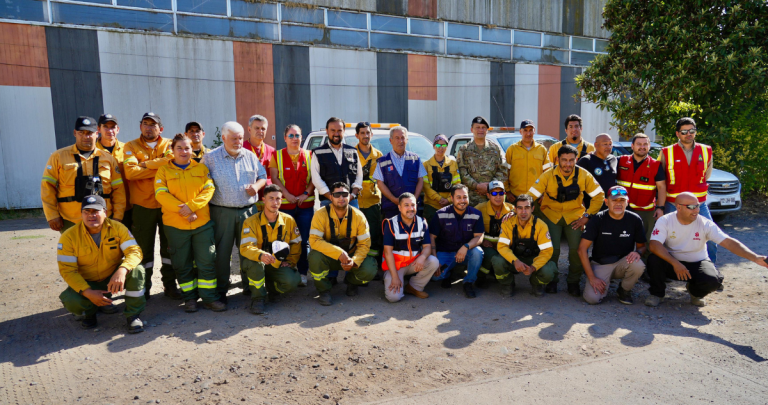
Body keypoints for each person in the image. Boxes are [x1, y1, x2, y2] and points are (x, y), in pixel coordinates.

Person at [646, 192, 768, 307]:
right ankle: (657, 294)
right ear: (679, 207)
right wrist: (675, 263)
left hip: (697, 262)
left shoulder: (705, 223)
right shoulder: (665, 220)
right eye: (692, 207)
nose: (697, 210)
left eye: (698, 206)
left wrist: (755, 258)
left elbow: (729, 243)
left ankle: (695, 293)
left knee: (713, 281)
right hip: (672, 263)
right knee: (654, 259)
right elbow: (654, 245)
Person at [155, 134, 225, 313]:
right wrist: (184, 211)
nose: (184, 151)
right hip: (176, 226)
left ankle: (210, 298)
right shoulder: (163, 171)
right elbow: (161, 195)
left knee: (206, 262)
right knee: (182, 264)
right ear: (172, 150)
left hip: (202, 224)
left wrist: (191, 207)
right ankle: (190, 299)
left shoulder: (201, 168)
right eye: (179, 148)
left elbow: (209, 190)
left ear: (192, 150)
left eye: (187, 148)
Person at [57, 195, 145, 333]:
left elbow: (135, 251)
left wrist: (122, 270)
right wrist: (88, 292)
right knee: (71, 300)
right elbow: (67, 270)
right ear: (81, 214)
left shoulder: (118, 228)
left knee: (137, 270)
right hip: (88, 282)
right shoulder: (69, 236)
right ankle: (89, 313)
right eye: (86, 212)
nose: (91, 215)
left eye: (95, 211)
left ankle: (133, 315)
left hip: (112, 278)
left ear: (105, 212)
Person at [202, 121, 268, 303]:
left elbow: (262, 176)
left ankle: (250, 287)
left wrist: (256, 186)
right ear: (223, 138)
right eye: (233, 138)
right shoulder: (210, 158)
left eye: (240, 138)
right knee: (222, 254)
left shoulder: (250, 156)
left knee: (249, 250)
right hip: (222, 212)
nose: (238, 142)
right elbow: (201, 184)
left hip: (248, 211)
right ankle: (221, 290)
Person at [528, 144, 604, 297]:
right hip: (551, 215)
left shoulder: (584, 175)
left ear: (576, 159)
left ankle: (573, 282)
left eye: (571, 160)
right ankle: (552, 280)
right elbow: (530, 196)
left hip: (575, 217)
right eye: (564, 160)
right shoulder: (548, 175)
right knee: (552, 250)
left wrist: (587, 216)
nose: (567, 164)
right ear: (557, 160)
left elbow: (599, 195)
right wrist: (520, 211)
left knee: (577, 250)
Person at [123, 112, 179, 299]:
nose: (148, 127)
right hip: (142, 206)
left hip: (167, 205)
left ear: (160, 129)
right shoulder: (131, 146)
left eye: (153, 125)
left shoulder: (170, 144)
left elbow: (173, 163)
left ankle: (170, 286)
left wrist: (145, 164)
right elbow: (130, 173)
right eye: (145, 124)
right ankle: (143, 287)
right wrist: (159, 168)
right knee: (142, 250)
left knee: (169, 249)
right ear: (140, 127)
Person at [42, 116, 126, 233]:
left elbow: (118, 190)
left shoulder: (108, 159)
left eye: (90, 133)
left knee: (105, 250)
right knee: (73, 251)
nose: (86, 137)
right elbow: (47, 187)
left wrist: (118, 216)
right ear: (75, 133)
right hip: (70, 219)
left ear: (97, 134)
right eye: (81, 133)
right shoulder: (58, 157)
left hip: (103, 218)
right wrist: (52, 215)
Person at [658, 117, 717, 263]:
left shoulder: (706, 150)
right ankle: (667, 269)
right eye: (684, 131)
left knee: (711, 237)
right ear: (678, 133)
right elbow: (660, 178)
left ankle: (711, 271)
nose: (688, 134)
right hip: (673, 204)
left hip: (699, 205)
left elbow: (706, 174)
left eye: (692, 130)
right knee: (666, 238)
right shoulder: (666, 152)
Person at [308, 182, 377, 306]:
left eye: (344, 194)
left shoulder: (359, 216)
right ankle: (324, 290)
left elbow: (364, 244)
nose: (341, 198)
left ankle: (351, 282)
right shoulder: (320, 214)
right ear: (331, 197)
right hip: (328, 257)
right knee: (314, 257)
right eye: (337, 194)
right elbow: (314, 241)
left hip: (350, 258)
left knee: (370, 267)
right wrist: (339, 253)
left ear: (349, 196)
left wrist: (354, 261)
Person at [578, 186, 647, 305]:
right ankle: (600, 281)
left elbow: (642, 246)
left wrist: (638, 252)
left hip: (623, 263)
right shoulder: (597, 219)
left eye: (622, 201)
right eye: (614, 200)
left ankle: (624, 290)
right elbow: (581, 249)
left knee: (638, 265)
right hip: (601, 264)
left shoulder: (635, 219)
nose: (618, 204)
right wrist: (592, 277)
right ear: (606, 202)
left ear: (627, 202)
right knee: (592, 299)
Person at [240, 185, 302, 314]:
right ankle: (258, 298)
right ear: (263, 200)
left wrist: (290, 261)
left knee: (293, 281)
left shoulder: (288, 220)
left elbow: (296, 244)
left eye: (278, 199)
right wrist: (261, 255)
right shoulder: (250, 222)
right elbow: (246, 247)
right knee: (255, 266)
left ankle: (271, 288)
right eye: (271, 198)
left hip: (277, 263)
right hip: (257, 262)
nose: (275, 202)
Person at [269, 124, 315, 287]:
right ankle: (284, 272)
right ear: (285, 138)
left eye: (297, 136)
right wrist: (286, 195)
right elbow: (274, 178)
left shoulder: (310, 155)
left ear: (302, 138)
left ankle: (303, 273)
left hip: (305, 206)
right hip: (285, 207)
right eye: (291, 135)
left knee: (303, 241)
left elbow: (313, 179)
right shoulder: (277, 155)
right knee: (282, 241)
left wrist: (306, 194)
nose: (294, 139)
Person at [382, 193, 440, 303]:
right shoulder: (390, 223)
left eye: (413, 205)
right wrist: (394, 277)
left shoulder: (422, 222)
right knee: (393, 298)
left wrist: (422, 257)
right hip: (396, 266)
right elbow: (388, 252)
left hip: (414, 263)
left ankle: (414, 287)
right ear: (399, 207)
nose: (410, 208)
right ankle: (391, 278)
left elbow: (427, 246)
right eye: (406, 205)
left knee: (433, 261)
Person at [429, 184, 485, 298]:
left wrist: (466, 247)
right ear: (452, 198)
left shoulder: (476, 214)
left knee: (478, 252)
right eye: (458, 197)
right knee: (436, 277)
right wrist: (434, 260)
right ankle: (449, 274)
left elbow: (479, 237)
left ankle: (468, 282)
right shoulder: (440, 214)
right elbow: (431, 237)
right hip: (446, 252)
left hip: (466, 252)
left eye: (465, 197)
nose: (462, 200)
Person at [497, 194, 557, 296]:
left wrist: (533, 267)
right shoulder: (507, 223)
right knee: (497, 261)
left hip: (533, 259)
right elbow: (502, 246)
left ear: (532, 209)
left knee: (548, 271)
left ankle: (536, 283)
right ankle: (507, 284)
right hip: (514, 258)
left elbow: (546, 251)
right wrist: (515, 261)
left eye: (527, 208)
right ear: (515, 209)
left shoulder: (541, 226)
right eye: (520, 208)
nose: (523, 212)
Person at [616, 133, 666, 244]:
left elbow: (662, 187)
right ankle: (622, 261)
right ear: (632, 146)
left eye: (645, 144)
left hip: (646, 211)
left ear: (649, 146)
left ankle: (645, 261)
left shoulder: (655, 165)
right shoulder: (620, 160)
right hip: (622, 208)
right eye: (639, 144)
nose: (642, 147)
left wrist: (660, 208)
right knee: (622, 239)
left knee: (646, 241)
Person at [373, 126, 427, 219]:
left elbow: (420, 180)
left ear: (407, 140)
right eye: (397, 138)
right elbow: (380, 183)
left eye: (403, 138)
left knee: (413, 233)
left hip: (412, 209)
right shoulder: (382, 161)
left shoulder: (415, 158)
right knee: (392, 233)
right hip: (391, 208)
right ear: (391, 141)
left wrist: (413, 200)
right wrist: (394, 200)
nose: (400, 141)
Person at [311, 117, 363, 209]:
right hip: (328, 201)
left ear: (344, 131)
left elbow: (359, 175)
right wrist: (331, 197)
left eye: (339, 130)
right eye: (333, 130)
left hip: (351, 201)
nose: (336, 134)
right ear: (327, 131)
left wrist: (353, 195)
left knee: (353, 224)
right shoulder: (318, 153)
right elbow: (316, 178)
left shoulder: (352, 151)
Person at [457, 116, 509, 206]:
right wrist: (477, 186)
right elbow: (461, 172)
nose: (480, 130)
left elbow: (503, 170)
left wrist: (490, 186)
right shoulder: (464, 150)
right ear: (471, 129)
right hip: (471, 199)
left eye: (483, 128)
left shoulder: (495, 149)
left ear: (487, 130)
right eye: (477, 127)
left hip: (492, 197)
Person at [475, 181, 515, 295]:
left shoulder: (513, 210)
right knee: (489, 255)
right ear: (487, 195)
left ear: (505, 194)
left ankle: (507, 282)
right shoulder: (479, 209)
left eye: (501, 193)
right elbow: (470, 229)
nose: (498, 197)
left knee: (501, 259)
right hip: (487, 246)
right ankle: (481, 277)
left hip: (506, 247)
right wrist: (482, 241)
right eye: (494, 194)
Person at [96, 113, 133, 231]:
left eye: (112, 127)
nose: (109, 130)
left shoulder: (128, 149)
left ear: (118, 129)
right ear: (98, 129)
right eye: (105, 126)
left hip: (127, 206)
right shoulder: (92, 151)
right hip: (101, 206)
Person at [354, 122, 384, 261]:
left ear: (371, 134)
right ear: (357, 135)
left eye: (368, 133)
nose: (365, 136)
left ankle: (373, 264)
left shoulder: (379, 155)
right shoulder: (351, 153)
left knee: (374, 233)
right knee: (357, 233)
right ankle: (357, 262)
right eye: (362, 133)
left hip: (373, 201)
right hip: (356, 201)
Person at [504, 120, 551, 202]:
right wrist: (507, 192)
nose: (528, 133)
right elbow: (504, 171)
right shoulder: (512, 149)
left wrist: (545, 193)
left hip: (537, 198)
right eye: (525, 130)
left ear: (534, 131)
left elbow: (548, 173)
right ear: (520, 131)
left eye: (530, 130)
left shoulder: (542, 149)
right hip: (515, 197)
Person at [422, 134, 460, 222]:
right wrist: (440, 199)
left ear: (447, 147)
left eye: (444, 145)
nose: (441, 148)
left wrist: (449, 200)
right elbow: (426, 187)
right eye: (438, 145)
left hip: (449, 205)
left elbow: (457, 185)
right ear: (434, 146)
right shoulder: (426, 165)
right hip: (431, 207)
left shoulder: (453, 164)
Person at [577, 133, 618, 210]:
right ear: (596, 145)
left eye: (610, 144)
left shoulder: (614, 159)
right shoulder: (586, 161)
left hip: (610, 207)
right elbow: (577, 186)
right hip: (591, 208)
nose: (608, 147)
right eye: (605, 144)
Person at [244, 115, 275, 210]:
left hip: (267, 202)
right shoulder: (241, 149)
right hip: (247, 201)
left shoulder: (271, 151)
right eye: (257, 128)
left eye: (263, 129)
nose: (260, 131)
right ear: (249, 130)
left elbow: (273, 177)